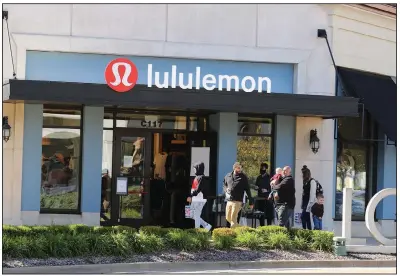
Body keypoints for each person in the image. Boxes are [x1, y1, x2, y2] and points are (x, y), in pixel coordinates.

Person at [223, 162, 253, 228]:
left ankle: (233, 234)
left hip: (238, 201)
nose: (240, 169)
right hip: (229, 200)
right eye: (238, 168)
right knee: (228, 218)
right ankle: (240, 229)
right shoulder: (228, 176)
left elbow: (247, 189)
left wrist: (251, 202)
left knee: (233, 219)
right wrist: (226, 190)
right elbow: (224, 185)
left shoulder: (243, 177)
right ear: (234, 168)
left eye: (240, 168)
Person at [187, 162, 212, 231]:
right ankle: (206, 226)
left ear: (198, 168)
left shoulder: (202, 178)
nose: (194, 170)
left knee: (196, 215)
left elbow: (198, 189)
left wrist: (191, 196)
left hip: (200, 199)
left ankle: (197, 231)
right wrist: (191, 196)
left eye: (195, 168)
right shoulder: (197, 177)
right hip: (195, 199)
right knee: (191, 214)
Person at [301, 165, 317, 230]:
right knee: (307, 218)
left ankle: (306, 231)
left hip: (308, 202)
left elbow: (312, 194)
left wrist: (309, 205)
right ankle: (308, 232)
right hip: (305, 202)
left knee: (303, 217)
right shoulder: (306, 182)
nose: (302, 176)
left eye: (303, 174)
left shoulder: (312, 181)